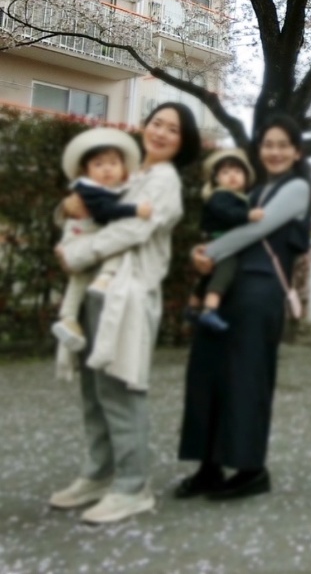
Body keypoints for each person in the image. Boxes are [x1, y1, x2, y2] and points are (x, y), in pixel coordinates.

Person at [48, 103, 201, 525]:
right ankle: (99, 474)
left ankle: (133, 487)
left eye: (173, 129)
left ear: (184, 142)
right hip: (96, 290)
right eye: (157, 123)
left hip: (128, 293)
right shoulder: (128, 172)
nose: (161, 133)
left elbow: (133, 228)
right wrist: (68, 210)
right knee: (94, 391)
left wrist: (77, 253)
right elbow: (87, 210)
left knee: (121, 389)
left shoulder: (164, 180)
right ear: (144, 126)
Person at [177, 114, 311, 501]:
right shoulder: (251, 191)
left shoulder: (297, 187)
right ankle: (209, 466)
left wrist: (208, 253)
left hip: (260, 291)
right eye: (268, 145)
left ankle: (251, 469)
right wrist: (199, 252)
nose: (275, 152)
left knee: (245, 377)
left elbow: (256, 229)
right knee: (206, 374)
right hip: (226, 290)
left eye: (283, 145)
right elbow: (221, 227)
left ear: (297, 152)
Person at [52, 127, 153, 352]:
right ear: (86, 171)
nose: (107, 169)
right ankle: (101, 283)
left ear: (123, 168)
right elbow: (104, 212)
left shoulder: (122, 188)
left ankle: (68, 318)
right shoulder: (90, 190)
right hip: (83, 237)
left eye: (113, 163)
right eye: (98, 164)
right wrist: (135, 210)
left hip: (88, 241)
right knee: (113, 251)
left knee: (79, 279)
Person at [187, 148, 265, 331]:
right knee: (227, 268)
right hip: (219, 238)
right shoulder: (220, 195)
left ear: (246, 177)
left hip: (217, 239)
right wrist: (247, 215)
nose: (232, 176)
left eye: (238, 171)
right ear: (216, 179)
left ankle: (193, 306)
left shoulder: (240, 197)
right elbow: (226, 213)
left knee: (208, 275)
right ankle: (210, 309)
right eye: (225, 172)